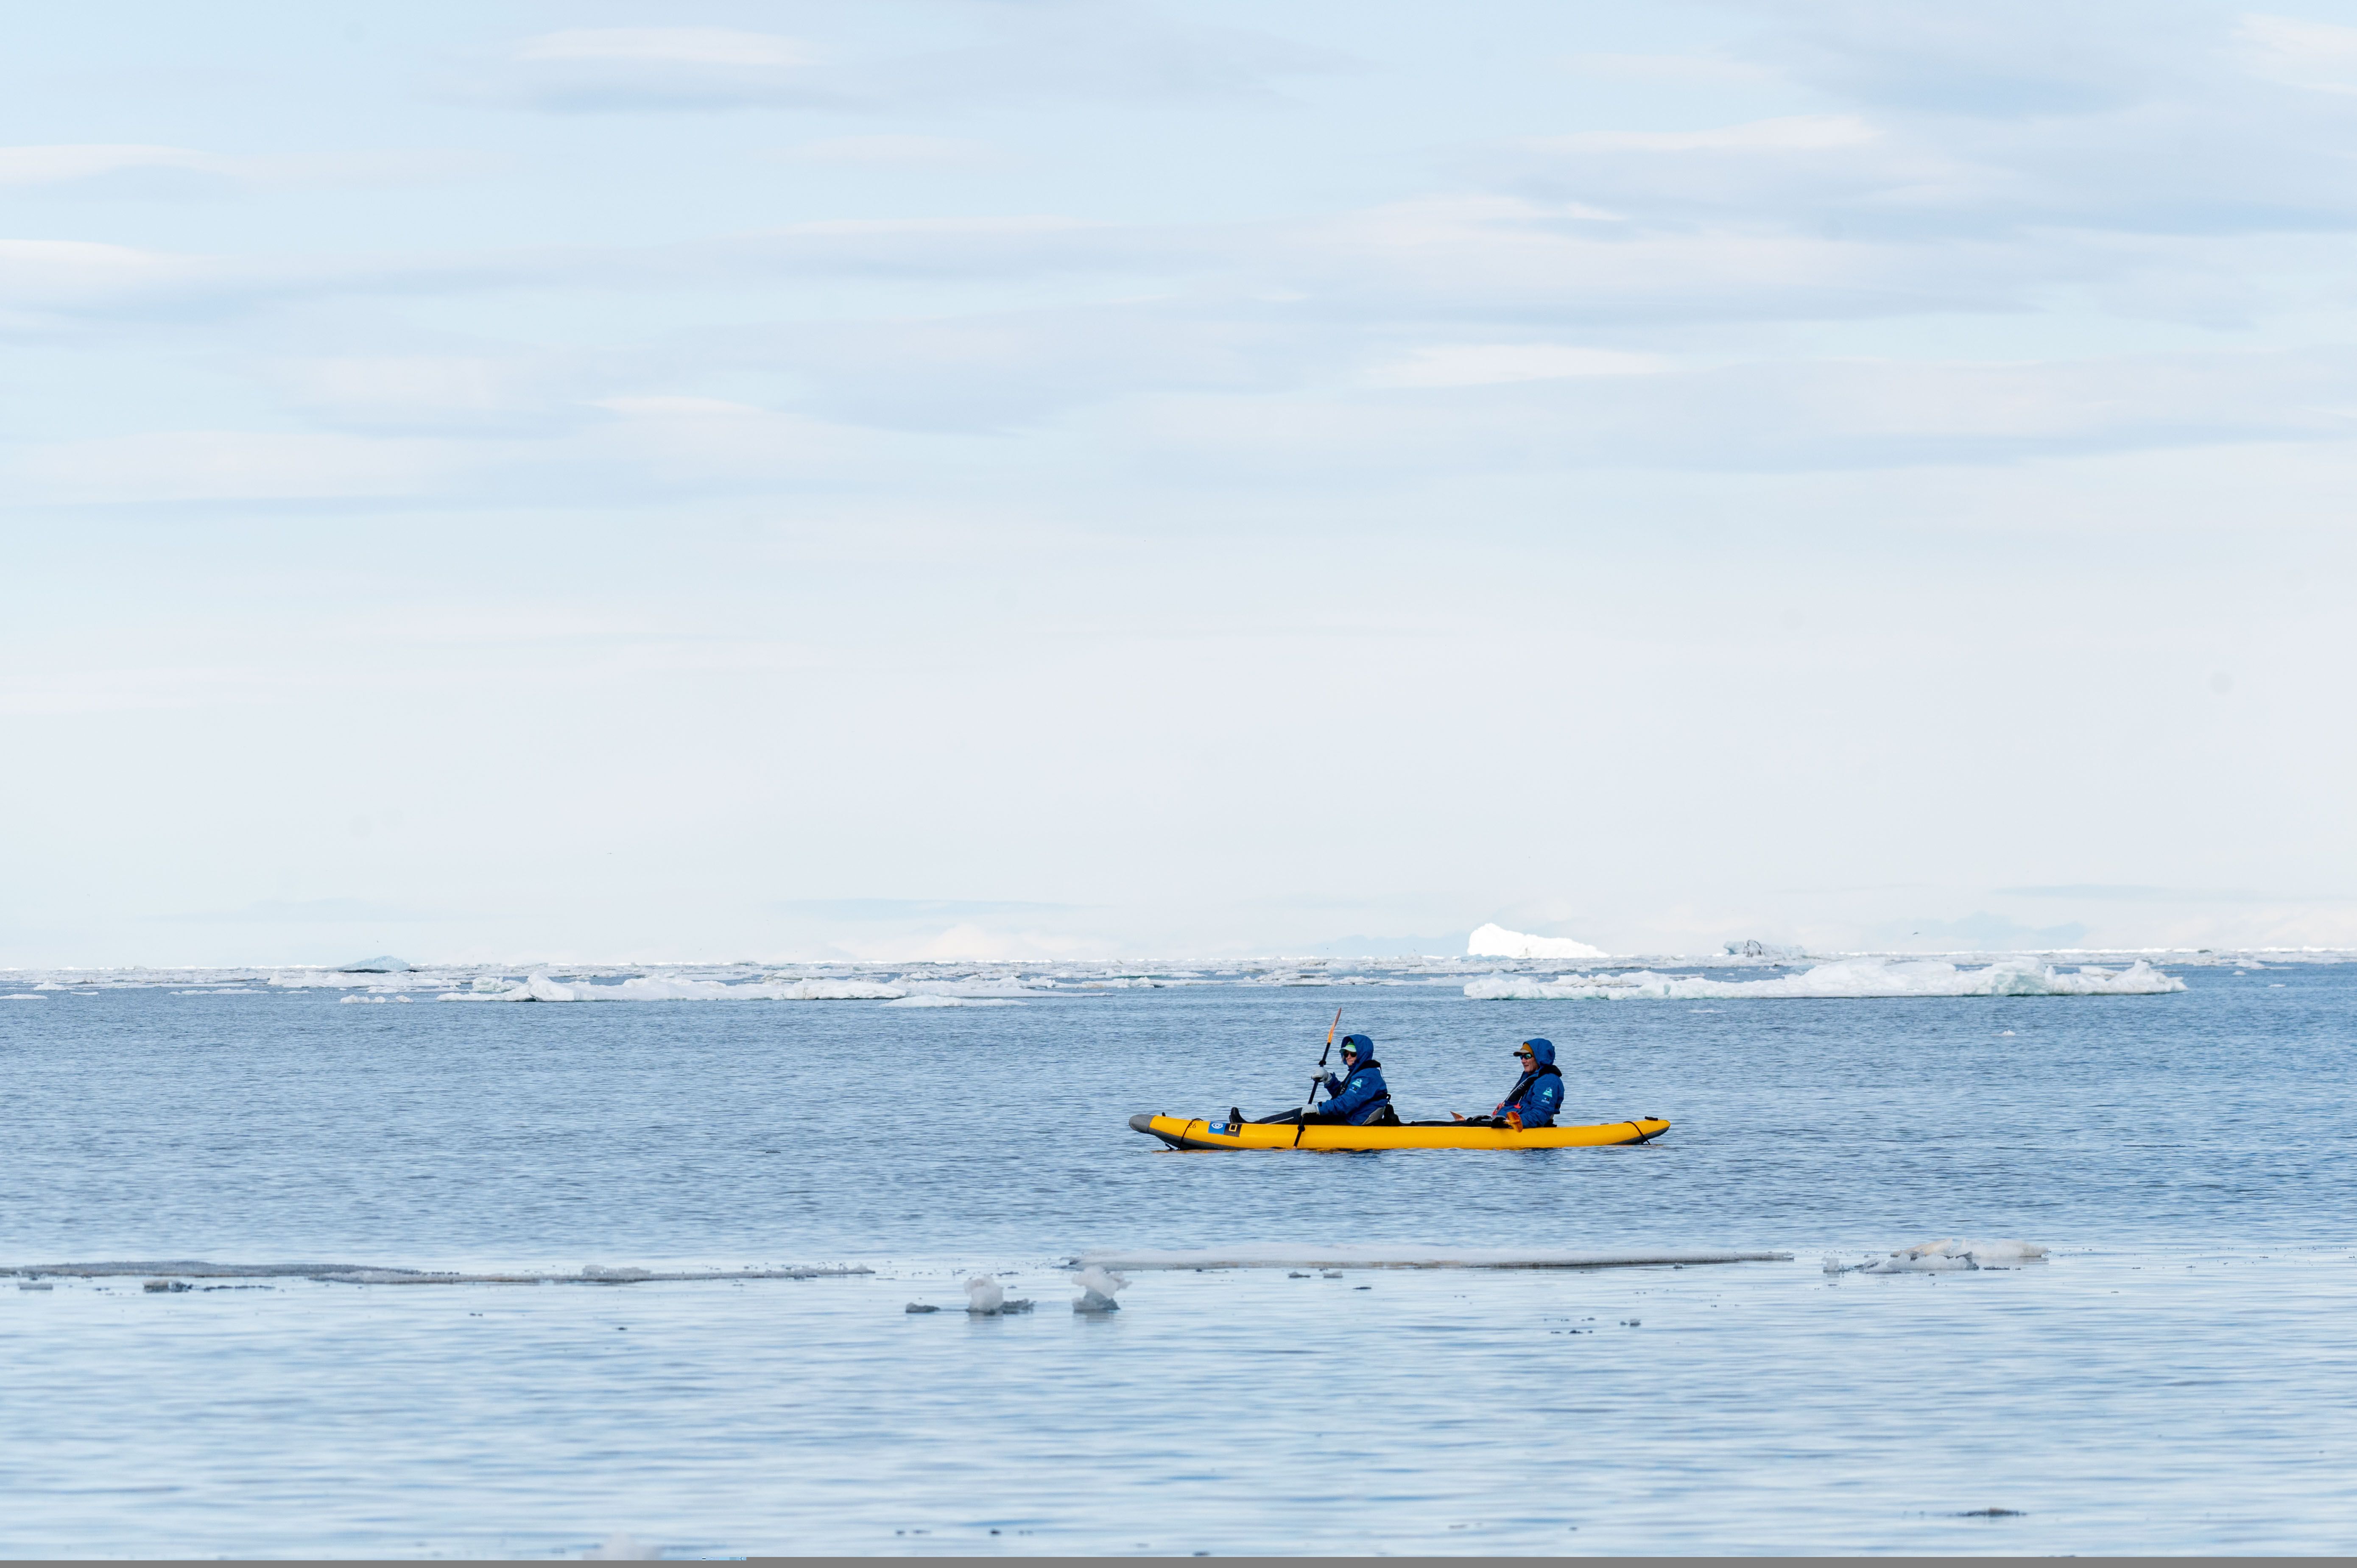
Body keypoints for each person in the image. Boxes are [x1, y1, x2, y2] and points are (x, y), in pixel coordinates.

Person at [1452, 1038, 1563, 1129]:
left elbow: (1541, 1114)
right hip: (1507, 1123)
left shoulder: (1548, 1081)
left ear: (1539, 1057)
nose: (1523, 1061)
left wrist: (1514, 1121)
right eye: (1522, 1057)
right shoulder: (1530, 1076)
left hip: (1524, 1127)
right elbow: (1513, 1105)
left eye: (1528, 1056)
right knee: (1469, 1123)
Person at [1307, 1034, 1396, 1125]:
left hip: (1355, 1122)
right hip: (1352, 1118)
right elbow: (1344, 1095)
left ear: (1362, 1054)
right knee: (1307, 1116)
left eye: (1353, 1054)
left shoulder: (1366, 1077)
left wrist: (1319, 1109)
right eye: (1346, 1054)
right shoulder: (1359, 1072)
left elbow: (1347, 1103)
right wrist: (1329, 1080)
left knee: (1308, 1118)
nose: (1348, 1057)